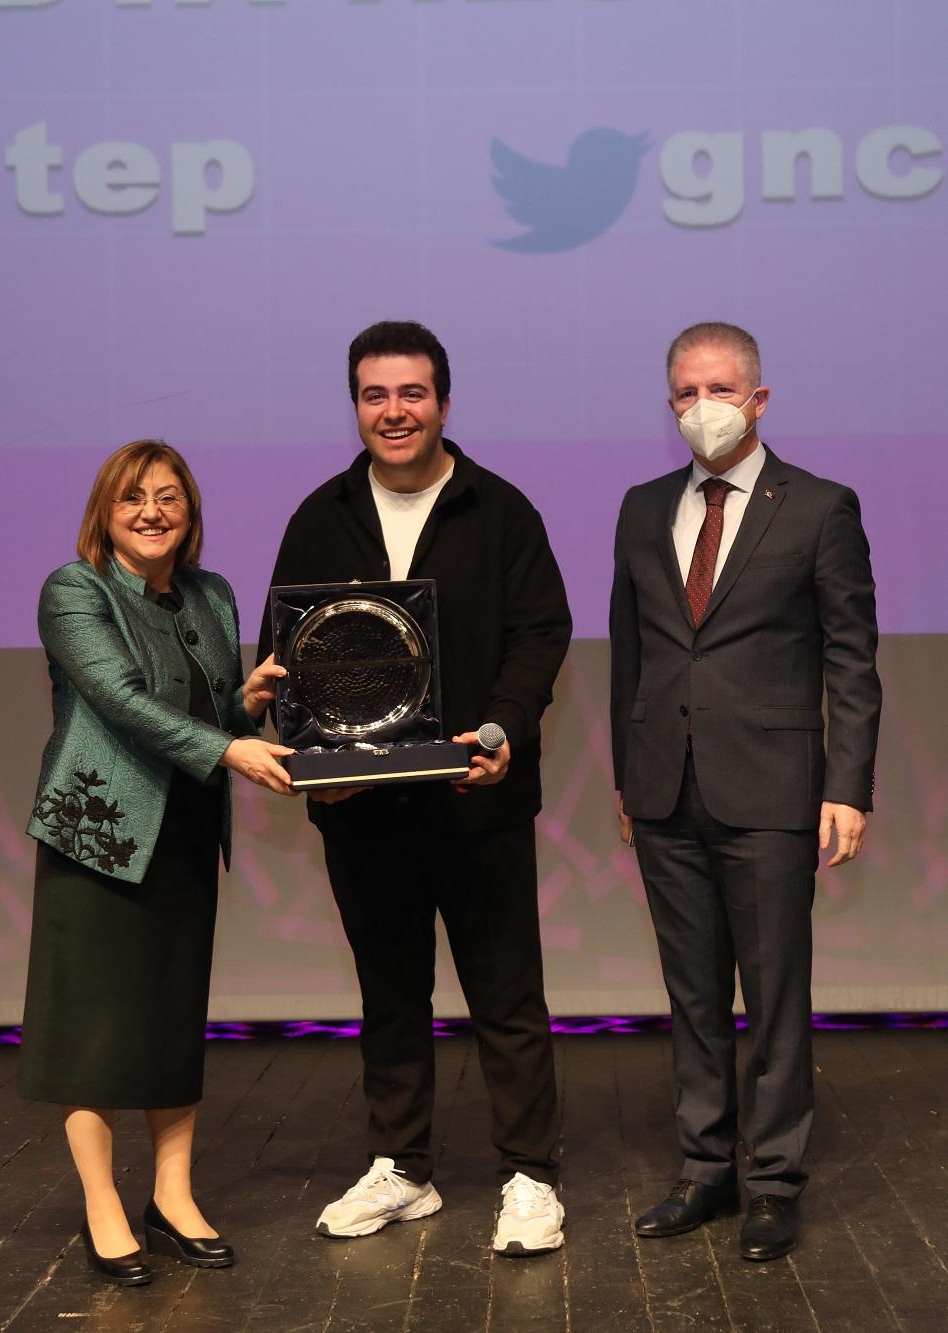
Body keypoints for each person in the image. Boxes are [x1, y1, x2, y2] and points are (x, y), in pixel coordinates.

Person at [257, 321, 574, 1256]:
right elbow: (289, 655)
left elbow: (540, 633)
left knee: (506, 996)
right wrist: (311, 760)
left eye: (412, 393)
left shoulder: (501, 509)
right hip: (364, 811)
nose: (393, 412)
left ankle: (531, 1175)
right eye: (375, 395)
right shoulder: (318, 516)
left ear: (443, 401)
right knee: (390, 995)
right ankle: (402, 1167)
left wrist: (504, 726)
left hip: (479, 800)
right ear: (355, 405)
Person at [609, 322, 882, 1262]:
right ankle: (704, 1168)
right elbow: (632, 653)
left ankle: (772, 1179)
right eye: (686, 392)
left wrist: (848, 784)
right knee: (692, 995)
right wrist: (627, 774)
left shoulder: (820, 506)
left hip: (772, 790)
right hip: (664, 790)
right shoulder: (642, 507)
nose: (703, 407)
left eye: (720, 389)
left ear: (759, 399)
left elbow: (852, 657)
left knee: (773, 995)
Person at [18, 440, 296, 1286]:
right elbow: (122, 701)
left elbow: (208, 707)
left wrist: (245, 704)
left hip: (183, 831)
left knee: (173, 1019)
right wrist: (232, 749)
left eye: (169, 496)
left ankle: (172, 1198)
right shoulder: (76, 589)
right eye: (133, 497)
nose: (152, 512)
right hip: (100, 832)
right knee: (92, 1027)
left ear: (190, 511)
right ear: (105, 511)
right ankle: (103, 1204)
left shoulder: (213, 593)